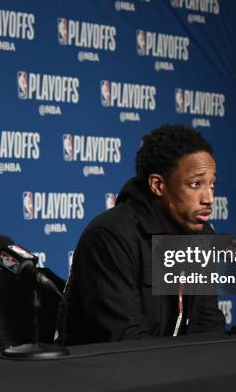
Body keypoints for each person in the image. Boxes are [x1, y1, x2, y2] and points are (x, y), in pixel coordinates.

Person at [59, 125, 225, 345]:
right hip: (105, 372)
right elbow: (125, 339)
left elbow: (207, 322)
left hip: (171, 370)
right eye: (195, 184)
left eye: (212, 185)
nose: (209, 198)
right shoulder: (110, 236)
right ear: (158, 185)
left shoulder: (201, 235)